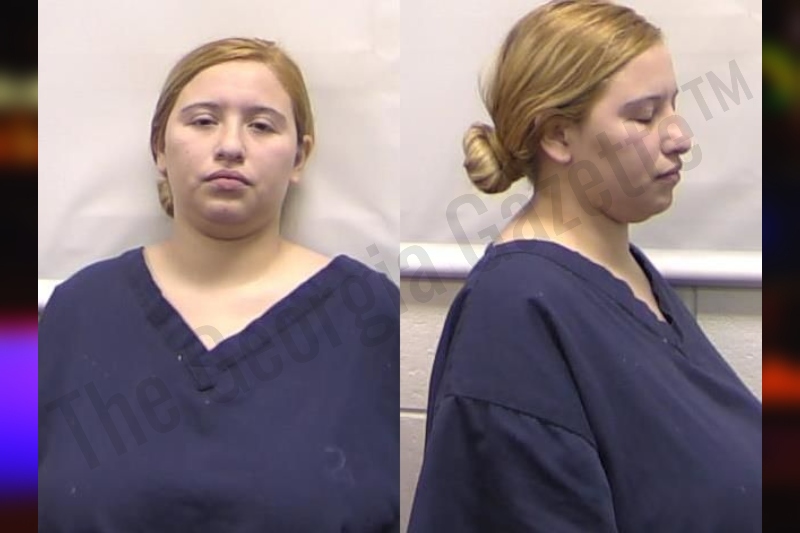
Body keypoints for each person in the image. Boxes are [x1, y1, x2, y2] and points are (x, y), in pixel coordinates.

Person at [408, 2, 761, 531]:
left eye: (673, 106)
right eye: (644, 116)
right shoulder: (515, 315)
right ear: (557, 136)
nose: (680, 136)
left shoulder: (627, 275)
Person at [38, 37, 399, 532]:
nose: (230, 146)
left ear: (300, 156)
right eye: (204, 121)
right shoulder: (75, 311)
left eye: (261, 125)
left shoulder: (367, 314)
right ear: (159, 147)